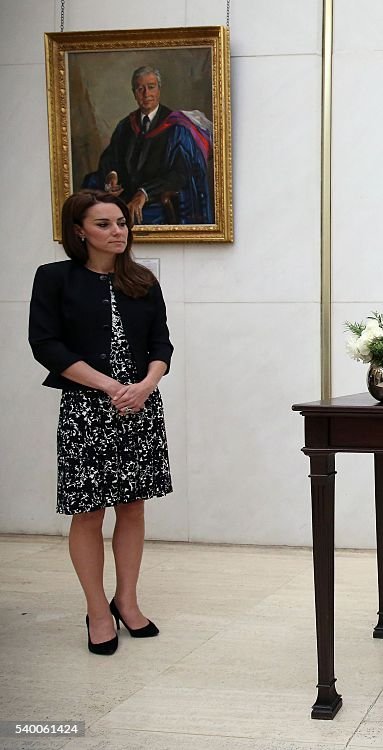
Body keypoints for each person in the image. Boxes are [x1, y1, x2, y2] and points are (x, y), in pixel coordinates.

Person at [29, 190, 173, 655]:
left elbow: (161, 345)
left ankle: (126, 601)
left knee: (132, 506)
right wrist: (109, 387)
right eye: (105, 224)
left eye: (121, 223)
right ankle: (96, 609)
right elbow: (46, 345)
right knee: (88, 511)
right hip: (87, 410)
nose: (118, 231)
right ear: (79, 231)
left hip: (140, 407)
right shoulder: (54, 279)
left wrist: (146, 385)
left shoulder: (143, 281)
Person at [81, 65, 213, 225]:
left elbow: (181, 173)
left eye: (151, 87)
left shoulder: (176, 127)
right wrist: (112, 176)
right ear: (134, 93)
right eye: (140, 89)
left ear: (159, 89)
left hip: (154, 201)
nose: (146, 94)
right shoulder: (125, 125)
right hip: (125, 196)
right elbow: (110, 157)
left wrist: (144, 193)